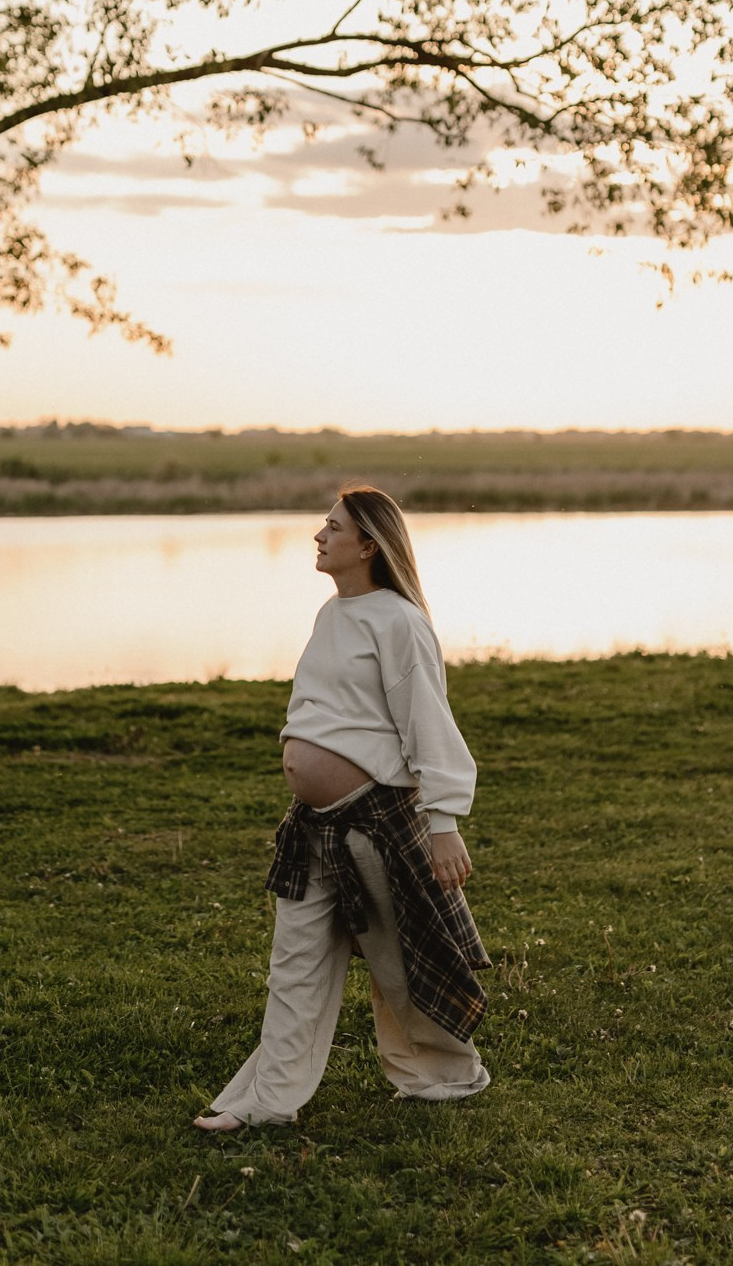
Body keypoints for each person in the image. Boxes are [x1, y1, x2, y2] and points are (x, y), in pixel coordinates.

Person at [193, 484, 490, 1131]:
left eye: (332, 528)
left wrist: (443, 824)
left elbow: (427, 723)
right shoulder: (331, 616)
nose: (318, 536)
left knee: (398, 958)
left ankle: (442, 1073)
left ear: (368, 545)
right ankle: (268, 1102)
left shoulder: (399, 620)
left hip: (376, 820)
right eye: (322, 525)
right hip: (312, 828)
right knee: (293, 964)